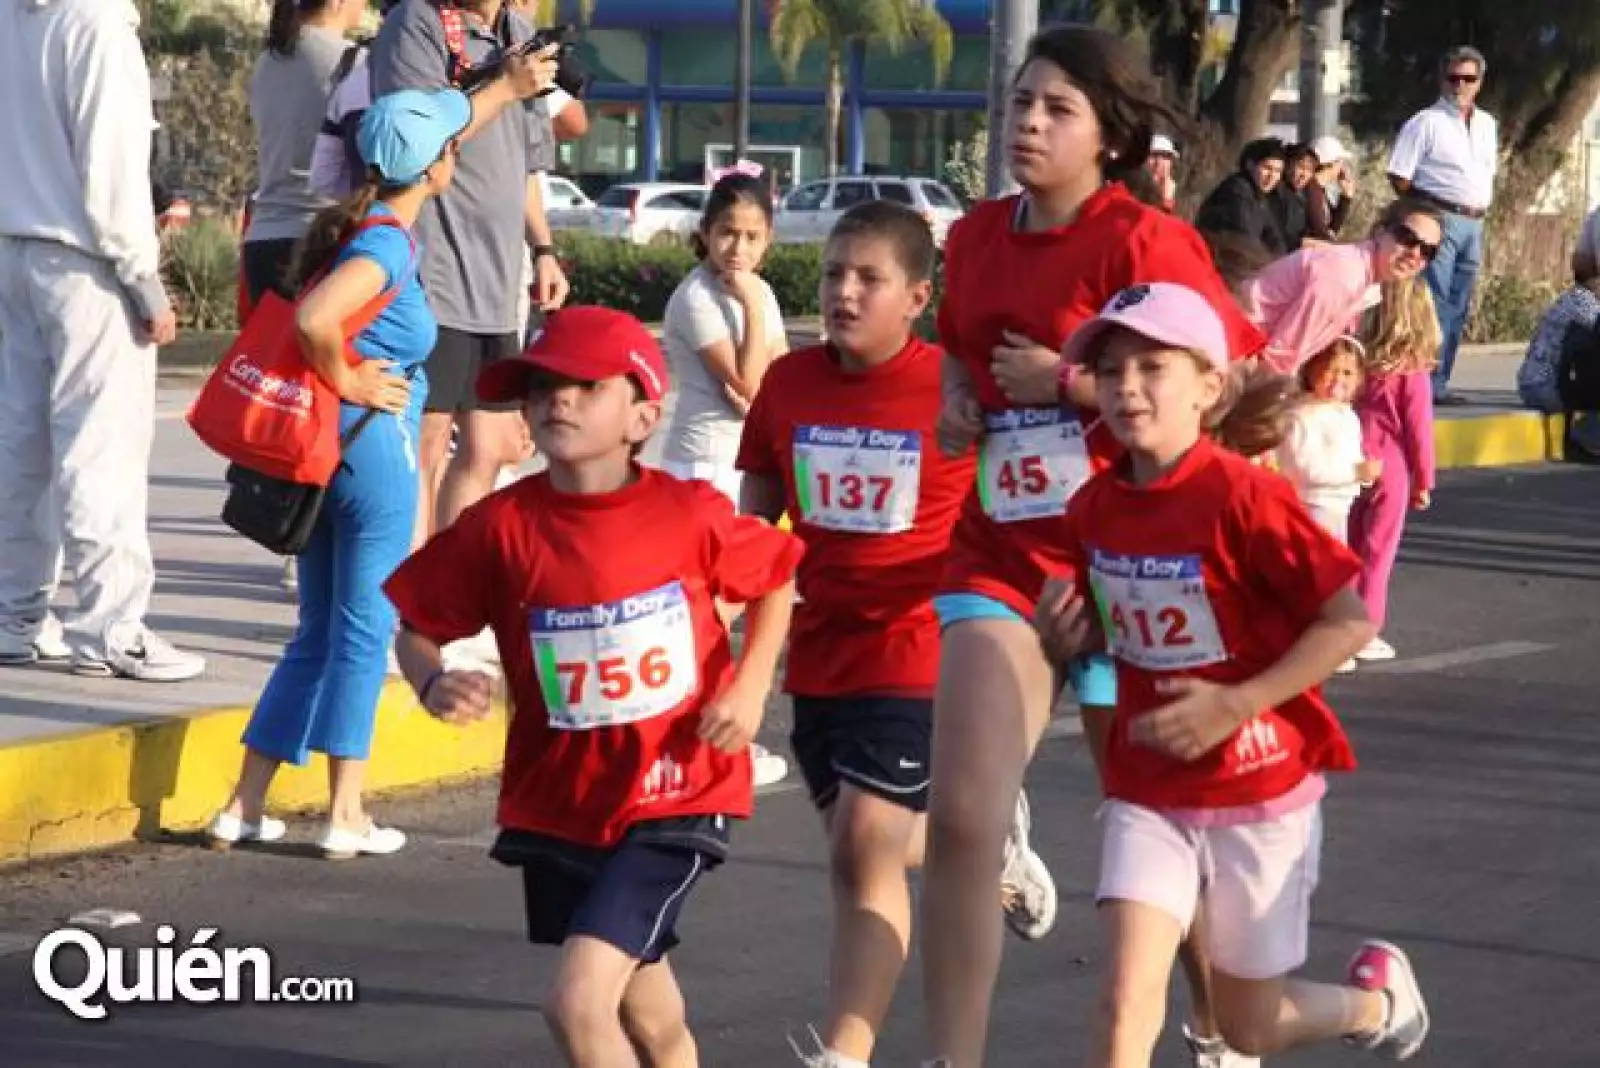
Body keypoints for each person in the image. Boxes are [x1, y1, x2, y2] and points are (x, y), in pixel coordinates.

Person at [919, 25, 1266, 1068]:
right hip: (1002, 554)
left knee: (1158, 838)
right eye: (1019, 103)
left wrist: (1071, 387)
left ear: (1108, 138)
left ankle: (1220, 1035)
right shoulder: (975, 237)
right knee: (964, 822)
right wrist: (955, 401)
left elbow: (1227, 382)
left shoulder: (1143, 245)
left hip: (1135, 565)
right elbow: (955, 348)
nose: (1026, 122)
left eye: (1055, 109)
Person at [382, 306, 803, 1067]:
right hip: (562, 805)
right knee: (651, 1015)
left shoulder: (687, 512)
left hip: (675, 792)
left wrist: (748, 689)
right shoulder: (500, 526)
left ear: (643, 413)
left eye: (583, 385)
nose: (558, 400)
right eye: (541, 386)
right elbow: (414, 627)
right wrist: (431, 679)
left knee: (578, 1004)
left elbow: (775, 573)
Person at [1036, 281, 1431, 1068]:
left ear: (1209, 387)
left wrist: (1239, 702)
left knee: (1249, 1028)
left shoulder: (1244, 497)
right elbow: (1106, 643)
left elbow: (1352, 620)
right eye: (1111, 371)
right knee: (1124, 1001)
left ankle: (1377, 1003)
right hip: (1148, 790)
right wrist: (1059, 639)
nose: (1128, 387)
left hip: (1258, 792)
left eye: (1154, 367)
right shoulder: (1092, 510)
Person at [735, 202, 975, 1068]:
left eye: (868, 278)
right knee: (857, 858)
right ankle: (987, 840)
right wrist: (738, 635)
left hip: (919, 644)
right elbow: (758, 520)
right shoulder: (789, 383)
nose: (843, 291)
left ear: (916, 296)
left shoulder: (955, 386)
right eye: (835, 272)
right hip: (823, 650)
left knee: (864, 844)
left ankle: (845, 1052)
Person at [207, 88, 469, 857]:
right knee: (364, 629)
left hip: (331, 453)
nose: (459, 153)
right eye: (452, 145)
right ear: (432, 165)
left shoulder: (363, 228)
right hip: (371, 450)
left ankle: (242, 805)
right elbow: (316, 321)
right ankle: (345, 812)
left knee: (317, 633)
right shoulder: (386, 244)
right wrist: (353, 381)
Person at [0, 0, 203, 681]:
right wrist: (143, 281)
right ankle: (110, 627)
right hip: (85, 264)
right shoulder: (97, 25)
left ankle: (16, 613)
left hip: (13, 250)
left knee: (20, 445)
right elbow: (112, 170)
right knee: (101, 449)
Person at [371, 0, 571, 566]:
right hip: (434, 270)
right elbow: (417, 144)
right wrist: (504, 86)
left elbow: (529, 165)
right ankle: (404, 600)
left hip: (498, 279)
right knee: (426, 445)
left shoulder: (519, 33)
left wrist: (546, 249)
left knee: (490, 447)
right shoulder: (419, 22)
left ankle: (450, 595)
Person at [246, 0, 373, 597]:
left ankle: (285, 527)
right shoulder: (348, 60)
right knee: (324, 395)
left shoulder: (273, 58)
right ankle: (311, 539)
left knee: (284, 396)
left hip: (265, 235)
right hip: (318, 236)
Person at [659, 171, 789, 502]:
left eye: (751, 236)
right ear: (705, 232)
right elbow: (749, 384)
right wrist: (751, 307)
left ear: (767, 238)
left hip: (751, 458)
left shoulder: (761, 291)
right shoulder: (696, 297)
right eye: (727, 233)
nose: (738, 248)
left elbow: (783, 376)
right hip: (703, 462)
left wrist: (753, 300)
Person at [1387, 46, 1498, 405]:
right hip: (1440, 217)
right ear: (1442, 79)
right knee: (1433, 302)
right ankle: (1424, 382)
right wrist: (1425, 214)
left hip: (1475, 220)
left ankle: (1440, 382)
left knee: (1459, 303)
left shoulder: (1487, 125)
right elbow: (1399, 175)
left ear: (1479, 83)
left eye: (1468, 79)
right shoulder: (1426, 122)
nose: (1460, 85)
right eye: (1453, 78)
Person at [1240, 198, 1445, 375]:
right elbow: (1280, 356)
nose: (1415, 254)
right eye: (1407, 239)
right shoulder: (1345, 275)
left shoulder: (1366, 281)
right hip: (1236, 351)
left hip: (1248, 354)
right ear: (1380, 232)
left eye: (1428, 251)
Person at [1348, 279, 1441, 665]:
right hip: (1391, 465)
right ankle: (1364, 629)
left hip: (1350, 458)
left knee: (1347, 544)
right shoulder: (1411, 370)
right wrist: (1424, 481)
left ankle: (1336, 620)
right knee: (1377, 551)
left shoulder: (1356, 363)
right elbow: (1418, 430)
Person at [1275, 336, 1378, 542]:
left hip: (1339, 505)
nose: (1338, 379)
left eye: (1347, 373)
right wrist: (1354, 472)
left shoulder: (1346, 415)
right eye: (1330, 370)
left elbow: (1350, 455)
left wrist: (1365, 474)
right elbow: (1302, 467)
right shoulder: (1304, 416)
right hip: (1312, 504)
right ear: (1311, 372)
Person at [1195, 138, 1289, 259]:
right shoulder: (1235, 191)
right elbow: (1245, 235)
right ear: (1250, 165)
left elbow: (1274, 237)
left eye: (1277, 171)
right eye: (1267, 168)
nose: (1272, 176)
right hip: (1220, 262)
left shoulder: (1260, 195)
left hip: (1245, 261)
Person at [1305, 136, 1356, 244]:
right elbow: (1322, 235)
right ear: (1332, 163)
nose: (1343, 166)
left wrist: (1346, 198)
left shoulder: (1318, 189)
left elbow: (1332, 229)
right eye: (1341, 162)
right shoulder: (1311, 190)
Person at [1270, 143, 1316, 251]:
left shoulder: (1302, 195)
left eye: (1309, 170)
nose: (1304, 175)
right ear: (1287, 165)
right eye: (1301, 167)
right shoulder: (1276, 193)